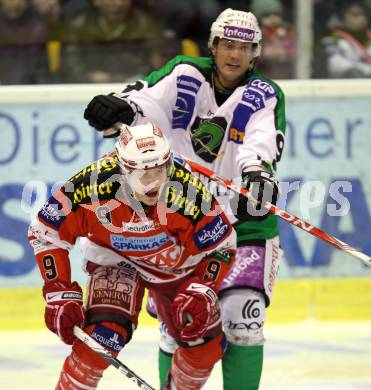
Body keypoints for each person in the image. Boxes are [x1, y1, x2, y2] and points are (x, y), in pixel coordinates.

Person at [83, 8, 286, 390]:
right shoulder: (185, 72)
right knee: (178, 325)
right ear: (213, 45)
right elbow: (148, 103)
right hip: (182, 225)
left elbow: (258, 145)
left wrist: (256, 176)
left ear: (255, 53)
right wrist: (123, 110)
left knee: (242, 321)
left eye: (244, 47)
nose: (235, 54)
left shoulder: (264, 94)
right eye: (227, 44)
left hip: (243, 225)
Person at [28, 122, 236, 389]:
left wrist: (203, 288)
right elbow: (46, 231)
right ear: (122, 169)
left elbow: (221, 245)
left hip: (177, 269)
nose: (154, 184)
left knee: (205, 348)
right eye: (142, 175)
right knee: (100, 338)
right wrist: (57, 290)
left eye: (160, 171)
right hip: (116, 260)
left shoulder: (188, 192)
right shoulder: (91, 185)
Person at [322, 0, 371, 78]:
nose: (362, 19)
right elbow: (336, 65)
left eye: (364, 15)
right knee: (354, 74)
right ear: (342, 16)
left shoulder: (368, 36)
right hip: (345, 83)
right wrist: (367, 69)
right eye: (355, 15)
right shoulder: (333, 37)